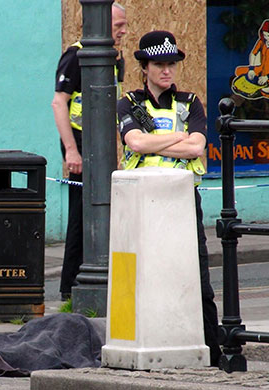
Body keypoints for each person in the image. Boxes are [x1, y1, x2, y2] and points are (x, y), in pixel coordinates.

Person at [117, 31, 222, 366]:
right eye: (159, 64)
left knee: (198, 278)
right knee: (144, 277)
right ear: (144, 67)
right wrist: (178, 135)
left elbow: (196, 147)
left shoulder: (190, 102)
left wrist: (159, 138)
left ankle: (213, 353)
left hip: (181, 196)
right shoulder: (129, 103)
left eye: (172, 64)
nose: (167, 70)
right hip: (141, 200)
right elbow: (135, 143)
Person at [52, 2, 127, 301]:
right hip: (81, 145)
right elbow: (59, 103)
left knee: (103, 213)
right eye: (118, 25)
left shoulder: (114, 56)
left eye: (124, 25)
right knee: (80, 216)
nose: (123, 31)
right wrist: (71, 151)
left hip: (103, 146)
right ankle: (70, 288)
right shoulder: (76, 54)